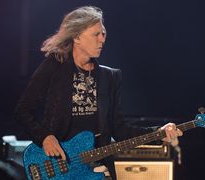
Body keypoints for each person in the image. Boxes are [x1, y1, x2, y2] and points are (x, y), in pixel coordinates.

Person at [14, 6, 182, 179]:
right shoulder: (54, 67)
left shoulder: (110, 77)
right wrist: (44, 137)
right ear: (77, 37)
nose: (102, 39)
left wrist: (159, 133)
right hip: (57, 166)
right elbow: (23, 110)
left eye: (103, 33)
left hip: (97, 168)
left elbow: (120, 130)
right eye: (96, 34)